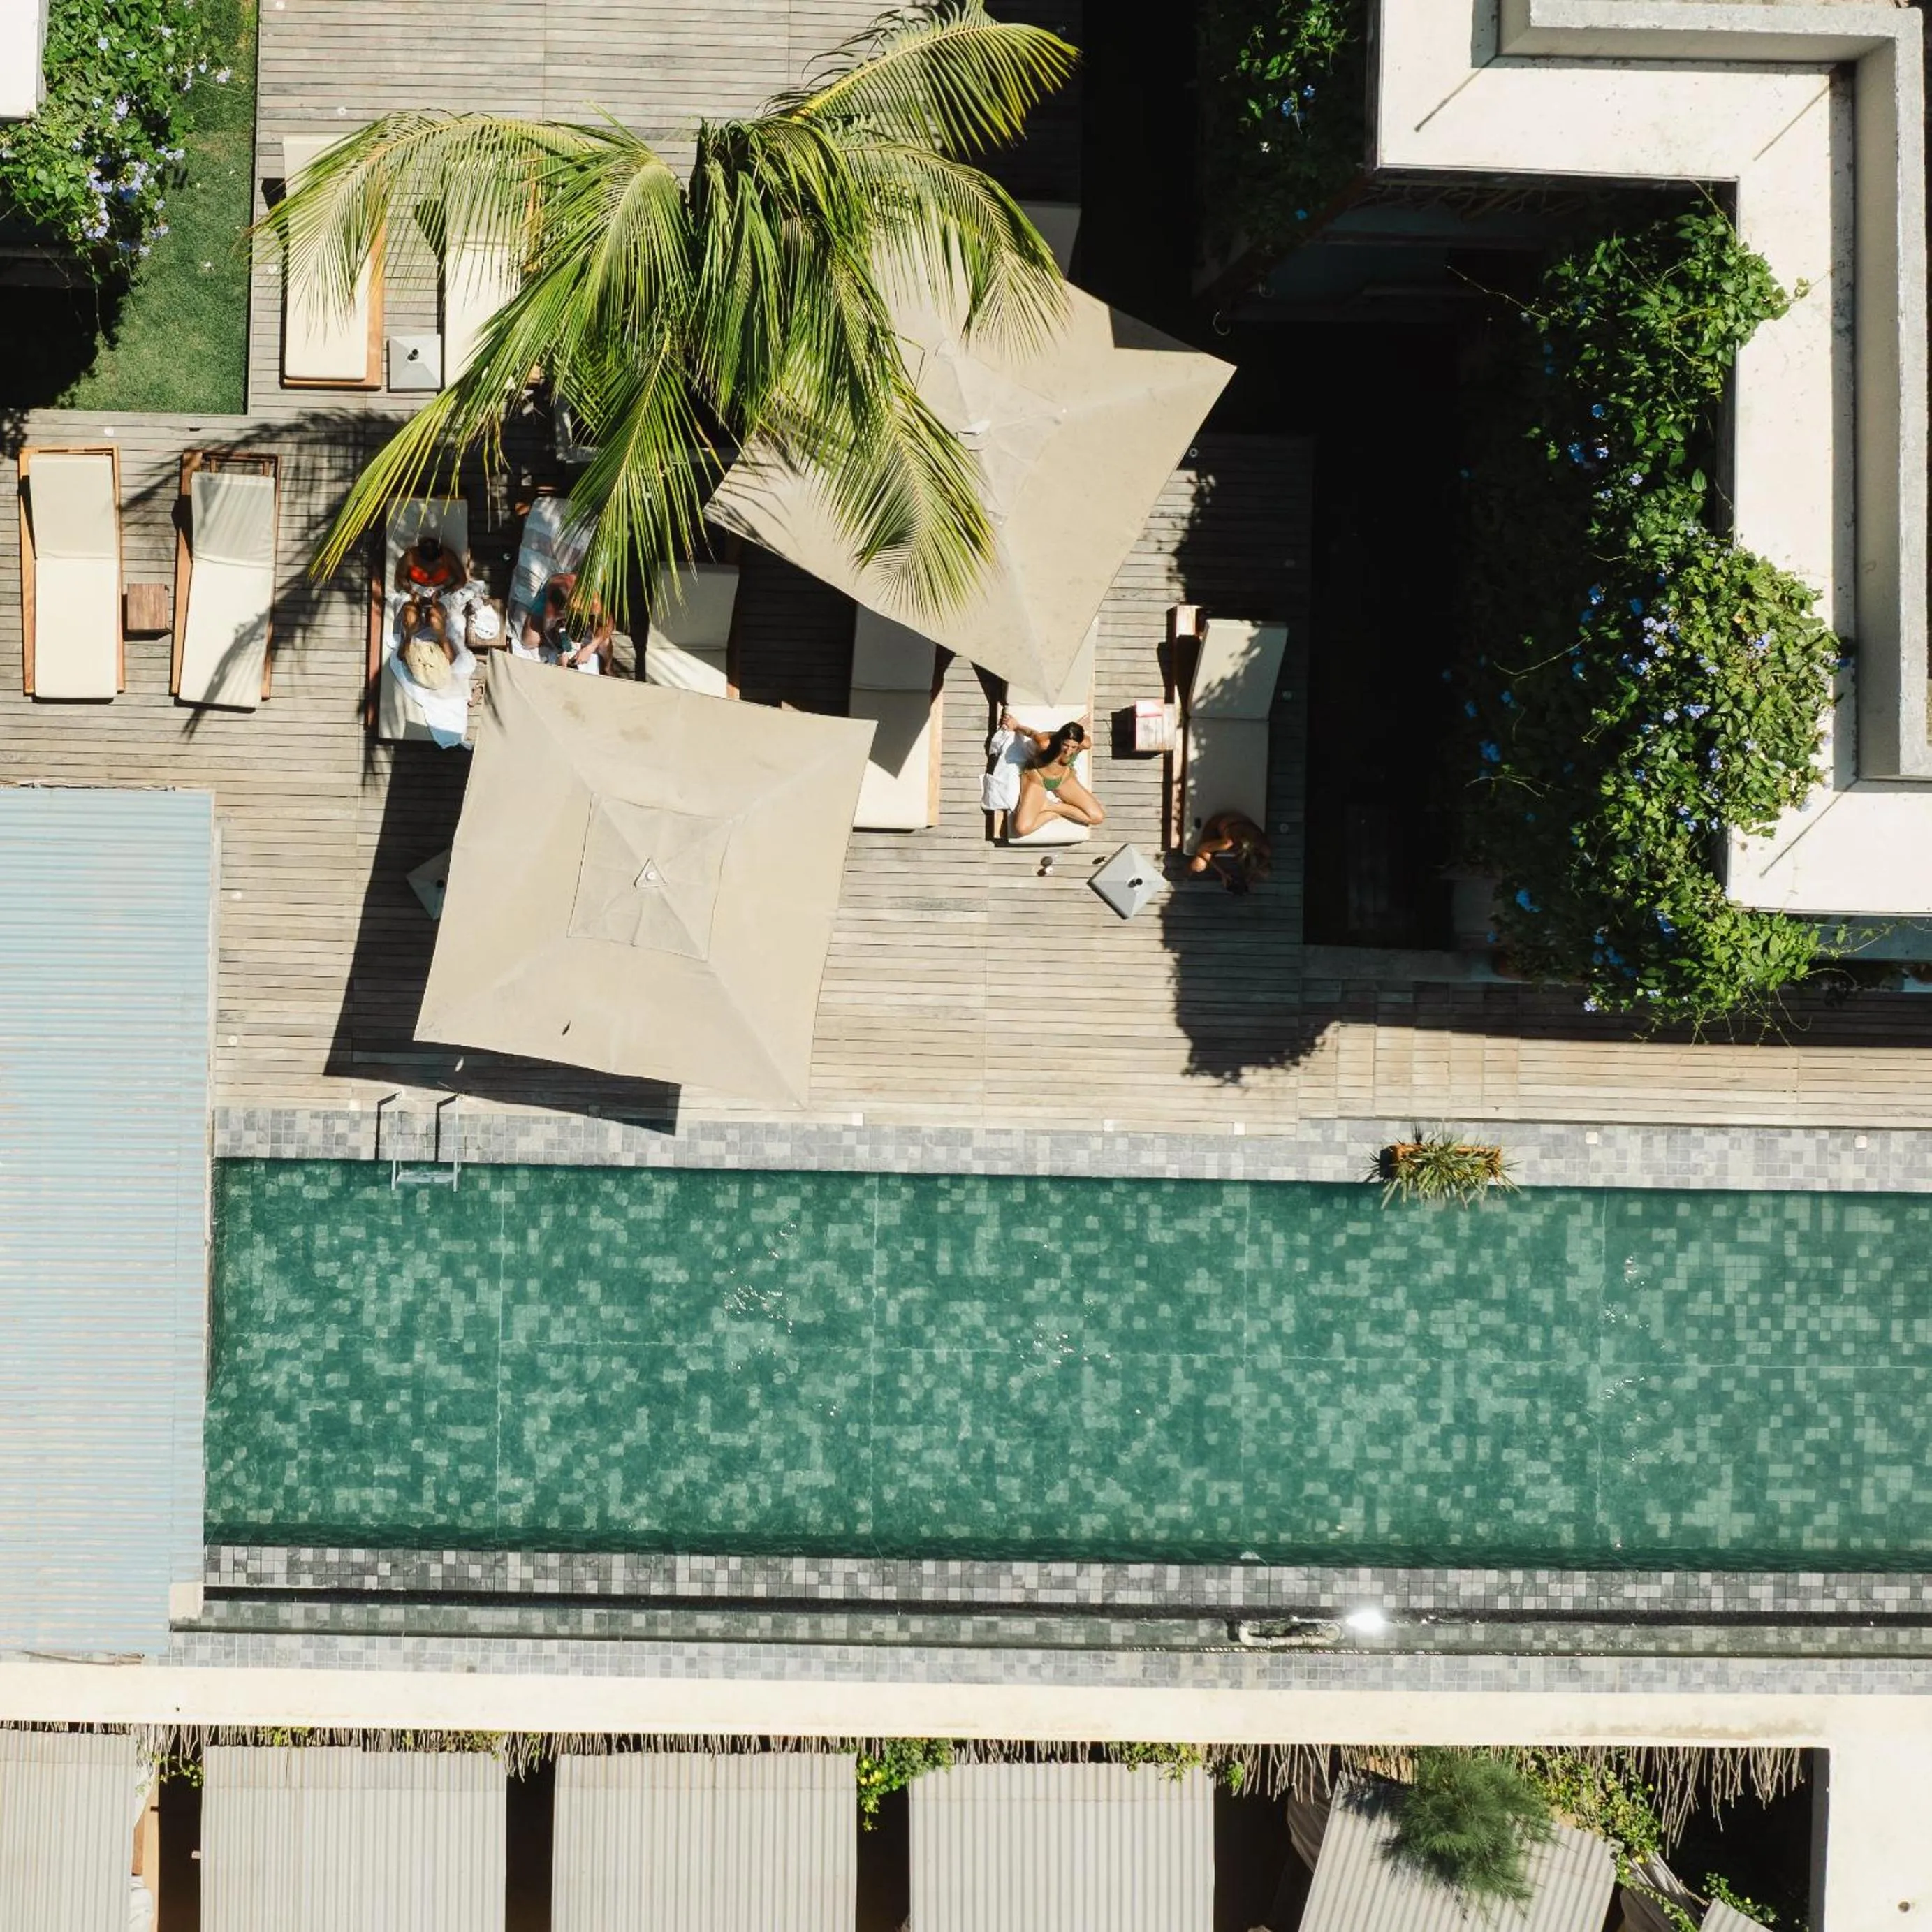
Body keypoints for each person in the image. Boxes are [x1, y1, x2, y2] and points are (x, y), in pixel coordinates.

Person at [1002, 710, 1105, 837]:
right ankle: (1051, 814)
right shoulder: (1045, 743)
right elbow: (1031, 733)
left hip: (1064, 779)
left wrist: (1078, 726)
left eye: (1074, 747)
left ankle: (1050, 806)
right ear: (1060, 739)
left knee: (1097, 817)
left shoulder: (1085, 744)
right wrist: (1016, 726)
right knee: (1021, 829)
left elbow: (1078, 738)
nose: (1069, 751)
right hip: (1037, 779)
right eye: (1066, 745)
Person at [520, 572, 613, 674]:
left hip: (579, 604)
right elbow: (548, 628)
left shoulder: (594, 602)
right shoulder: (557, 597)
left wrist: (590, 648)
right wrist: (561, 652)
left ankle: (608, 668)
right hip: (554, 600)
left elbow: (608, 624)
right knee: (528, 641)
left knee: (605, 641)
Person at [1187, 810, 1271, 894]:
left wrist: (1249, 878)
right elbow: (1202, 848)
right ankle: (1185, 874)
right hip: (1216, 825)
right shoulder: (1227, 843)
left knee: (1265, 872)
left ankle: (1248, 879)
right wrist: (1223, 874)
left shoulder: (1264, 848)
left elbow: (1261, 863)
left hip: (1236, 823)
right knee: (1198, 865)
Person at [393, 532, 467, 596]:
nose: (431, 563)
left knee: (436, 611)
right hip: (415, 589)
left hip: (442, 588)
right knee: (410, 610)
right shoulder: (410, 556)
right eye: (427, 559)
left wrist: (443, 592)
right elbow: (400, 577)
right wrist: (413, 594)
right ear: (419, 553)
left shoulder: (448, 556)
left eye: (435, 558)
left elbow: (462, 579)